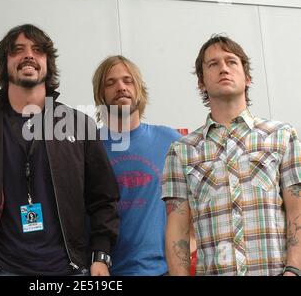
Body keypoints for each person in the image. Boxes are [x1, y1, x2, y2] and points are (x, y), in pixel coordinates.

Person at [0, 24, 120, 276]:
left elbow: (103, 197)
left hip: (70, 269)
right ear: (5, 64)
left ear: (48, 63)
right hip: (1, 269)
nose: (28, 55)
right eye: (18, 50)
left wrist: (100, 257)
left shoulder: (78, 125)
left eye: (37, 50)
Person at [162, 35, 301, 276]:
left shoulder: (282, 136)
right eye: (213, 64)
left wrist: (294, 270)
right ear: (201, 82)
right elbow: (178, 229)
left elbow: (297, 209)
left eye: (231, 61)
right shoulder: (181, 151)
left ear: (247, 78)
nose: (223, 68)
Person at [91, 55, 181, 275]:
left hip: (162, 270)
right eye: (110, 83)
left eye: (127, 80)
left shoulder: (171, 141)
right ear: (100, 95)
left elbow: (201, 199)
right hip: (106, 270)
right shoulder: (88, 146)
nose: (120, 87)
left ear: (139, 88)